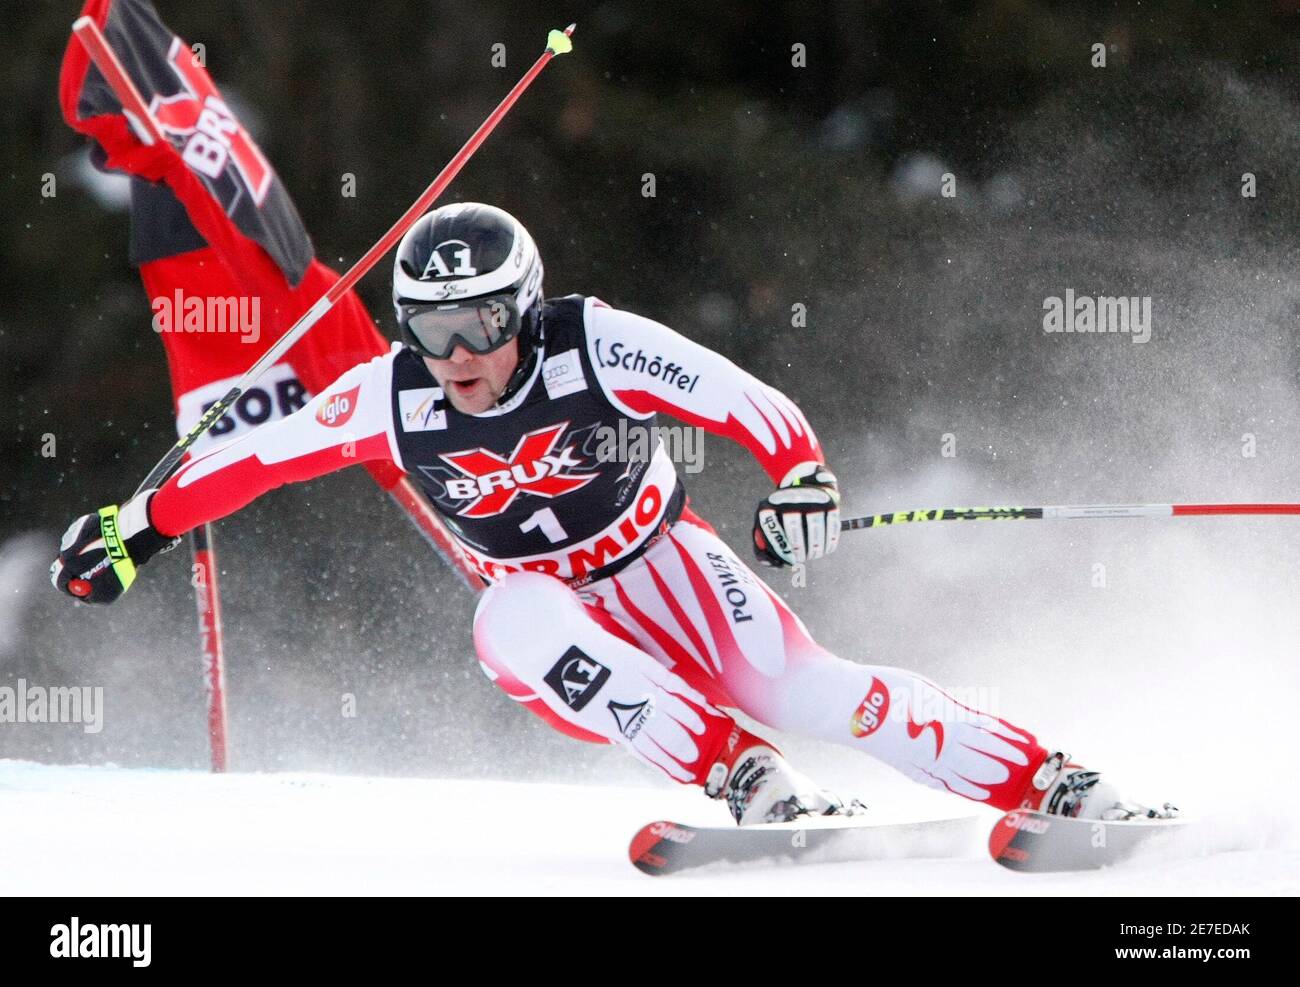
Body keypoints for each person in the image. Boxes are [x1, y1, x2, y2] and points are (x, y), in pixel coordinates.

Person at [52, 202, 1171, 825]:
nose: (457, 359)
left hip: (663, 562)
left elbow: (741, 398)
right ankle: (743, 776)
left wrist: (801, 479)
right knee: (510, 617)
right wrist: (135, 530)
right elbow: (257, 458)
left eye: (479, 325)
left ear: (524, 310)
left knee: (809, 690)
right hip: (554, 613)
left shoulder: (593, 342)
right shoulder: (386, 395)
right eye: (429, 329)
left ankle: (1050, 780)